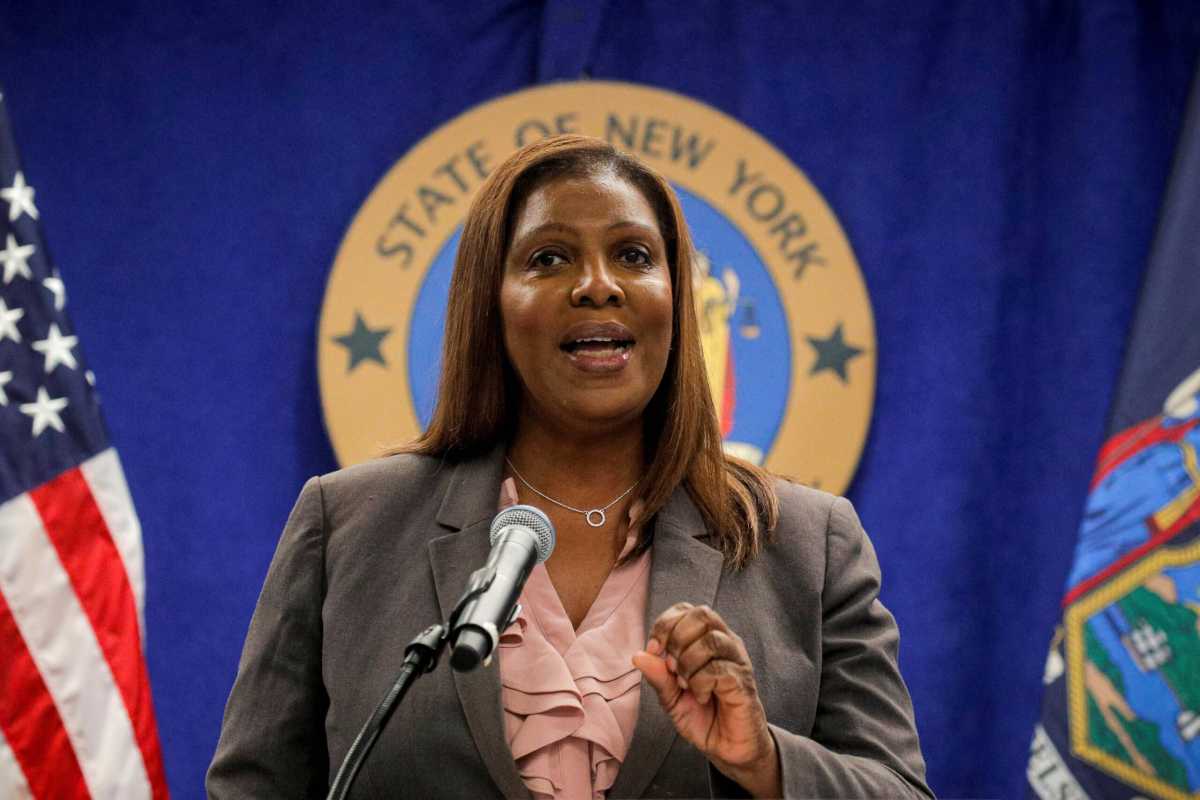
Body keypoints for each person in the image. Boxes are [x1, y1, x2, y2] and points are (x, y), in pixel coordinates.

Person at [207, 134, 932, 799]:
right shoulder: (348, 525)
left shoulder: (805, 540)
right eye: (549, 258)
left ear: (677, 300)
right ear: (490, 304)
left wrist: (764, 761)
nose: (597, 285)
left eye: (634, 256)